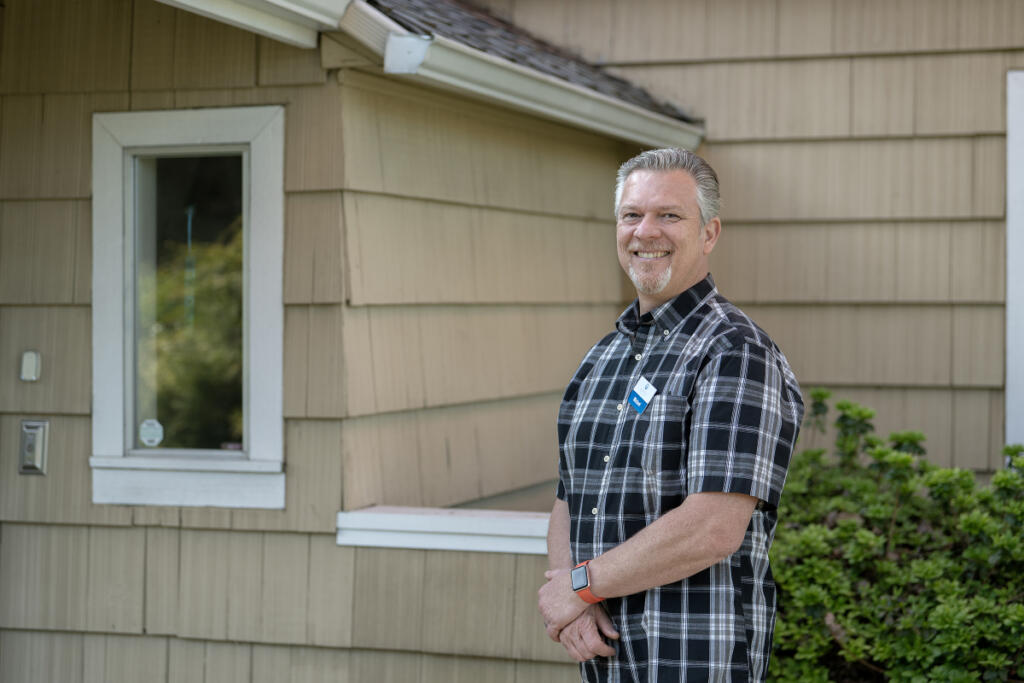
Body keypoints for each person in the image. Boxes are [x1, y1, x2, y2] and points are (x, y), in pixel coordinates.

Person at [537, 148, 804, 682]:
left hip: (691, 659)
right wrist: (571, 589)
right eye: (632, 215)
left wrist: (580, 584)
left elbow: (712, 527)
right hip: (607, 661)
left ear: (709, 234)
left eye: (670, 216)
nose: (646, 231)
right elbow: (571, 497)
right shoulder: (602, 359)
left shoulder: (734, 352)